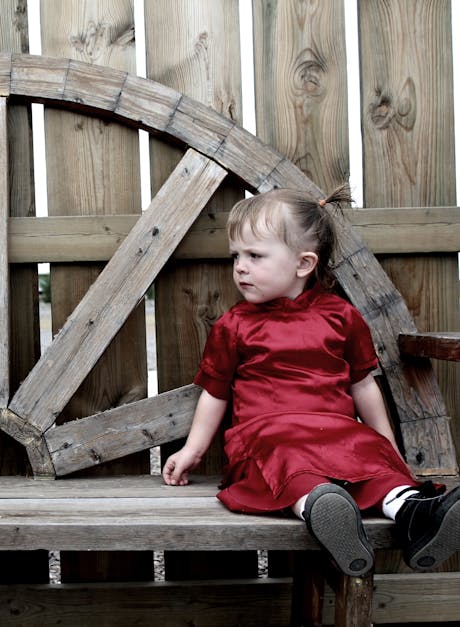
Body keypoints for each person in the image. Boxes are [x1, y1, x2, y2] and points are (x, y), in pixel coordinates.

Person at [161, 184, 460, 576]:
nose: (240, 267)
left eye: (255, 255)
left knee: (369, 455)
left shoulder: (341, 318)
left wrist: (386, 445)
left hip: (334, 431)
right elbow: (214, 393)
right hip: (266, 438)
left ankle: (415, 515)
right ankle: (323, 508)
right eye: (236, 256)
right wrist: (193, 451)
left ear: (303, 264)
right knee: (292, 461)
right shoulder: (235, 325)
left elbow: (362, 386)